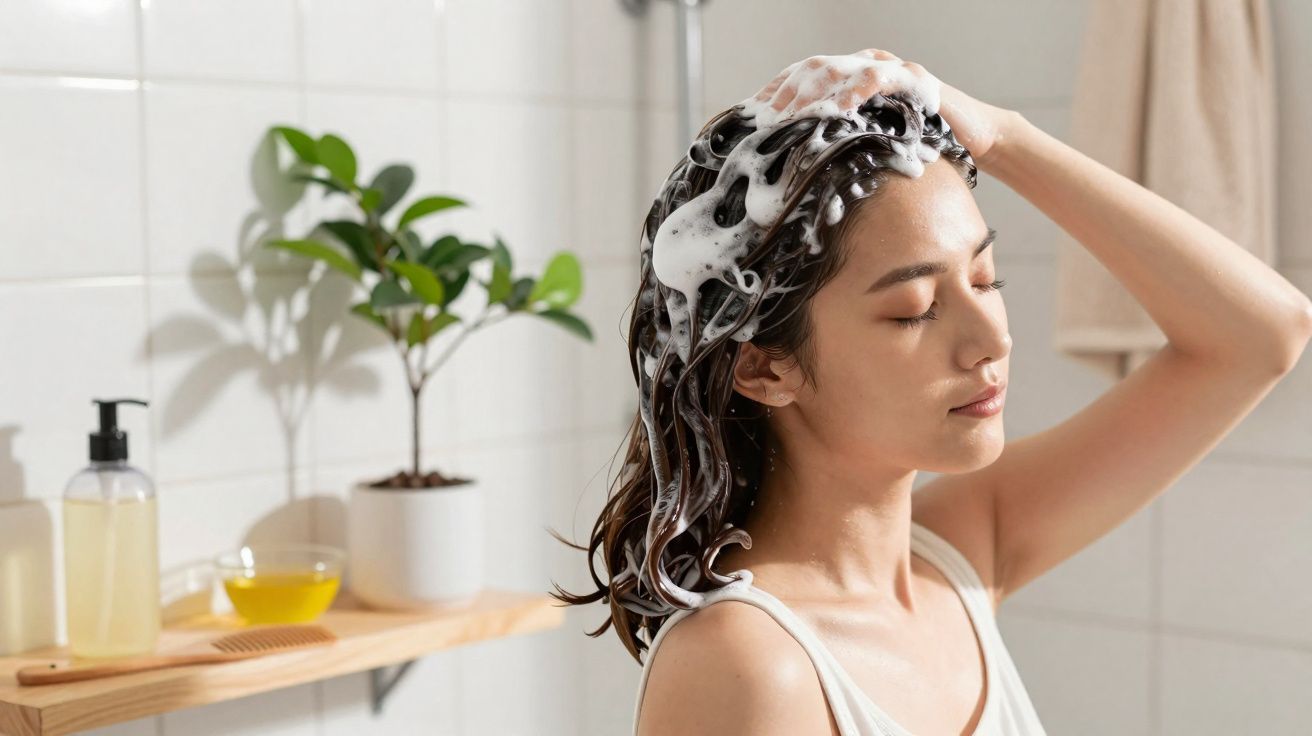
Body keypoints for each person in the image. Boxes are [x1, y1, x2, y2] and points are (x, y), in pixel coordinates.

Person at [549, 49, 1312, 735]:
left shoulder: (961, 555)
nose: (992, 339)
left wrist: (1003, 137)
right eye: (915, 311)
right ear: (765, 369)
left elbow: (1264, 336)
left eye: (986, 278)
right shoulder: (747, 669)